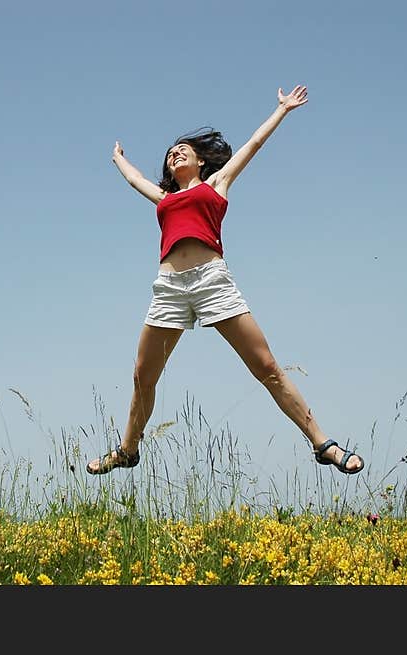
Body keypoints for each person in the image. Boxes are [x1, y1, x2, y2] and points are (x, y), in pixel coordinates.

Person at [86, 84, 364, 477]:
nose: (174, 154)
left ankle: (323, 444)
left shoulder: (216, 186)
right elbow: (135, 182)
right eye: (169, 154)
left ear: (201, 162)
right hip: (169, 288)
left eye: (183, 150)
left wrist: (281, 110)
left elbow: (253, 144)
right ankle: (128, 450)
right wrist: (118, 159)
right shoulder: (165, 199)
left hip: (212, 282)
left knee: (266, 366)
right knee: (141, 376)